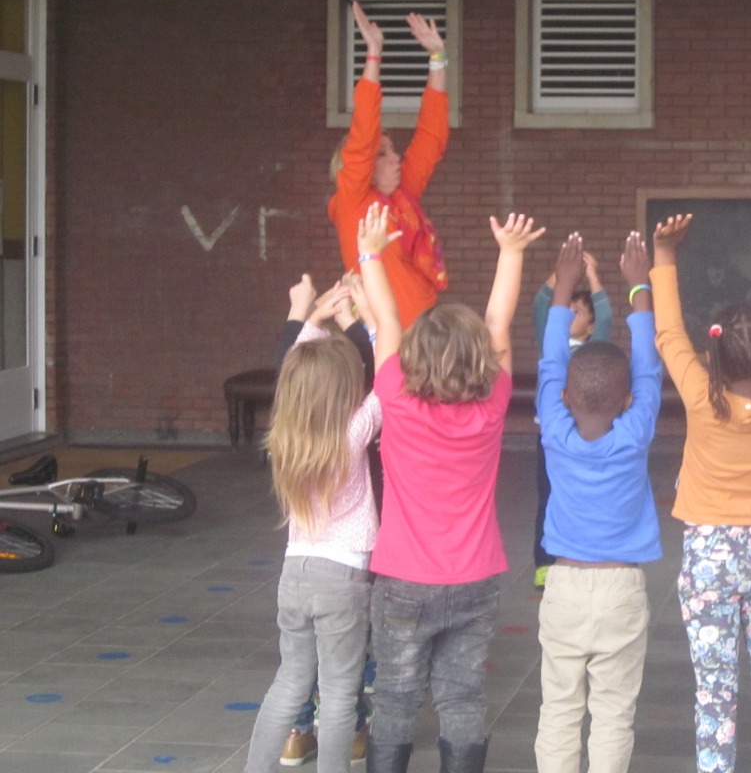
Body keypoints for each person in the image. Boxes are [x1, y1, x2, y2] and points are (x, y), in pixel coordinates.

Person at [358, 203, 544, 773]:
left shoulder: (396, 395)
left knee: (396, 697)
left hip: (403, 579)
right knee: (462, 697)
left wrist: (370, 253)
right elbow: (497, 323)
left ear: (413, 356)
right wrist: (510, 253)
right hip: (475, 578)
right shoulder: (491, 404)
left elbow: (387, 318)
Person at [650, 212, 751, 773]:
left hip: (708, 553)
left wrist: (664, 256)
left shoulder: (702, 396)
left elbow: (669, 335)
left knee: (714, 690)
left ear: (711, 354)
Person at [534, 231, 662, 773]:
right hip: (621, 589)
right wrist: (639, 286)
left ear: (563, 398)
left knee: (559, 709)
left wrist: (562, 288)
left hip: (563, 586)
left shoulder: (554, 431)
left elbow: (550, 364)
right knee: (613, 714)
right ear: (629, 400)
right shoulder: (635, 432)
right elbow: (648, 366)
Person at [242, 277, 381, 773]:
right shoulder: (353, 432)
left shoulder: (286, 437)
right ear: (345, 389)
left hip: (294, 574)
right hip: (342, 579)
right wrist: (361, 318)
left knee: (289, 682)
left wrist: (308, 314)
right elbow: (392, 373)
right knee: (340, 692)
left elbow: (295, 372)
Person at [328, 2, 450, 329]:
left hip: (423, 337)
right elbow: (363, 134)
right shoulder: (352, 200)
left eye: (393, 151)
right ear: (364, 164)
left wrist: (438, 59)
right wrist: (373, 54)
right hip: (382, 341)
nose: (396, 158)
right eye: (383, 154)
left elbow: (430, 139)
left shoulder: (400, 195)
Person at [530, 252, 614, 589]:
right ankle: (544, 562)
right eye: (567, 310)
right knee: (548, 497)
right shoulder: (550, 342)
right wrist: (563, 273)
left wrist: (592, 276)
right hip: (549, 437)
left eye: (577, 313)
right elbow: (541, 303)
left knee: (583, 496)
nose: (568, 316)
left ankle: (584, 555)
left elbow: (606, 316)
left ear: (590, 328)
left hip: (584, 435)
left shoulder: (594, 349)